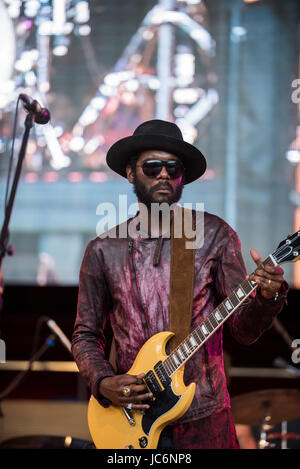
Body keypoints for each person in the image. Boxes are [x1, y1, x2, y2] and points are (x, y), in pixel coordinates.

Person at [72, 119, 288, 449]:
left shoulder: (214, 235)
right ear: (131, 173)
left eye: (172, 168)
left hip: (204, 419)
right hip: (133, 414)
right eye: (152, 166)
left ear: (182, 177)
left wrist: (266, 297)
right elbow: (86, 334)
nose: (163, 174)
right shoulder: (103, 250)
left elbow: (243, 331)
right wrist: (103, 381)